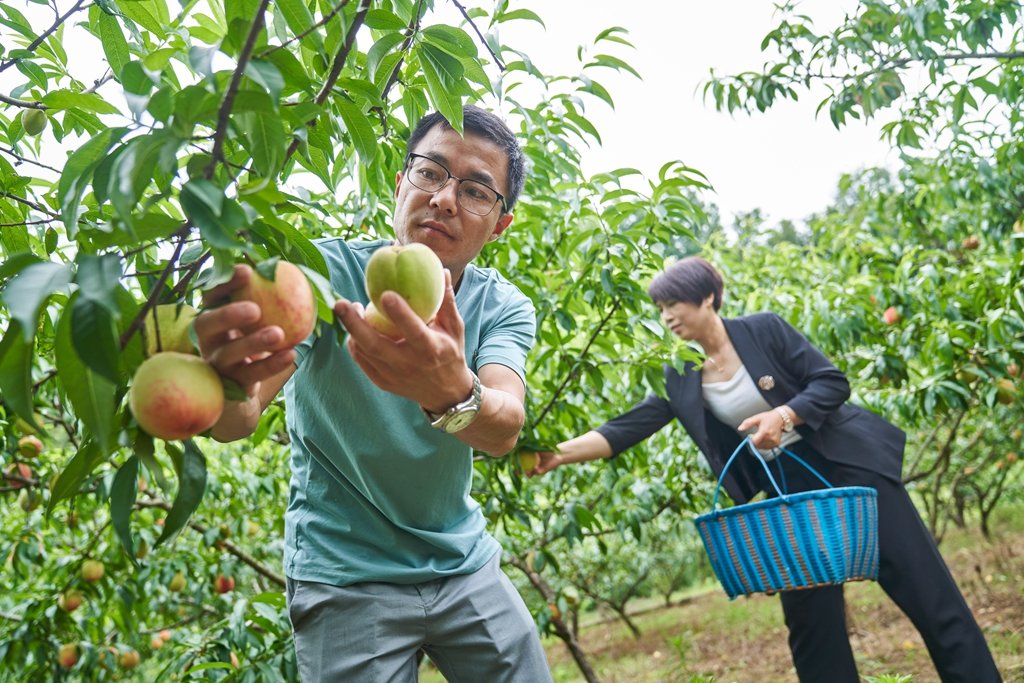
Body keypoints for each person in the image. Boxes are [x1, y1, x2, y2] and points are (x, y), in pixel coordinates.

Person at [194, 105, 552, 682]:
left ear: (500, 225)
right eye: (430, 172)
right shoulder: (322, 273)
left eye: (476, 190)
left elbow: (504, 425)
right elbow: (240, 416)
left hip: (461, 560)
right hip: (344, 573)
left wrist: (452, 394)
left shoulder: (503, 305)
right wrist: (221, 382)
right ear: (400, 183)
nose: (443, 198)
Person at [529, 256, 1001, 683]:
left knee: (927, 592)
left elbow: (832, 382)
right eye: (660, 308)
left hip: (850, 469)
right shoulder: (680, 372)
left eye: (675, 304)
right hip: (786, 491)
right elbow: (628, 427)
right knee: (811, 625)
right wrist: (557, 453)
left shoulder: (764, 330)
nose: (667, 316)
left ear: (708, 298)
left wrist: (784, 415)